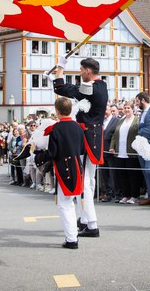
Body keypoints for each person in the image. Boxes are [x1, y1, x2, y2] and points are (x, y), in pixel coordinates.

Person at [53, 56, 108, 238]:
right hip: (94, 135)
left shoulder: (91, 88)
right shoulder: (102, 85)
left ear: (87, 71)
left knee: (84, 182)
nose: (80, 72)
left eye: (81, 70)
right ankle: (86, 219)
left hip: (86, 137)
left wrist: (60, 68)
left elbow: (62, 88)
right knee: (89, 181)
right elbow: (70, 89)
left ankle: (91, 224)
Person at [36, 97, 85, 249]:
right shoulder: (78, 127)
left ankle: (71, 239)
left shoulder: (56, 129)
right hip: (77, 166)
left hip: (64, 168)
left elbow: (52, 153)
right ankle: (72, 236)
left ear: (57, 111)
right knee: (70, 203)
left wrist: (38, 156)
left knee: (65, 205)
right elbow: (82, 149)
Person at [109, 100, 141, 204]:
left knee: (133, 176)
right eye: (125, 108)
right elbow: (114, 135)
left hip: (131, 152)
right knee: (122, 175)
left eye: (128, 108)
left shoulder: (137, 120)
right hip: (120, 152)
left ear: (133, 109)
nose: (126, 110)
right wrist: (112, 147)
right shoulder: (121, 120)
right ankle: (125, 195)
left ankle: (134, 196)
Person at [100, 105, 120, 202]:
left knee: (114, 174)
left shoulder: (116, 121)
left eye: (106, 110)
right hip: (102, 152)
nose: (104, 112)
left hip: (111, 152)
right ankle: (108, 193)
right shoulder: (100, 122)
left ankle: (117, 194)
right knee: (104, 174)